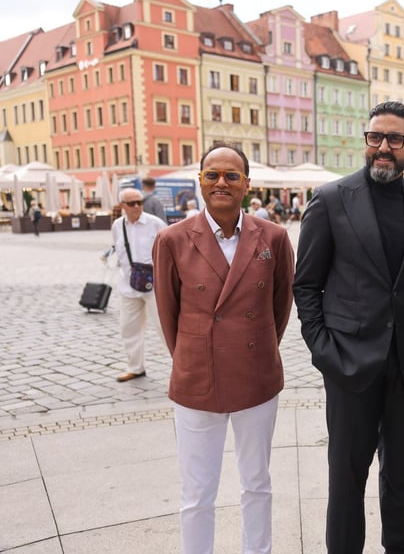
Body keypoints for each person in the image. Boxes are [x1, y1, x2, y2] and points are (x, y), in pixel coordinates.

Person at [293, 101, 404, 554]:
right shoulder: (329, 200)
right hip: (348, 363)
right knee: (346, 479)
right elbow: (305, 286)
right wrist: (325, 351)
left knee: (400, 475)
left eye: (394, 140)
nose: (383, 147)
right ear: (366, 141)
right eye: (375, 138)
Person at [152, 144, 295, 554]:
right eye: (212, 175)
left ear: (247, 184)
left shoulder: (274, 237)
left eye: (232, 176)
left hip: (257, 377)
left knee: (257, 483)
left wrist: (256, 350)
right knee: (197, 493)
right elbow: (168, 314)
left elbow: (281, 305)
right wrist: (195, 356)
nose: (222, 183)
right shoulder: (172, 239)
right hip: (197, 380)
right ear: (200, 181)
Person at [112, 188, 167, 382]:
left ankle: (181, 368)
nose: (137, 206)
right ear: (122, 206)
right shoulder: (117, 225)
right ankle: (135, 368)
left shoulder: (155, 223)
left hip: (155, 285)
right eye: (132, 203)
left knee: (165, 327)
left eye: (139, 202)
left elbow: (169, 251)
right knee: (128, 328)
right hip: (128, 284)